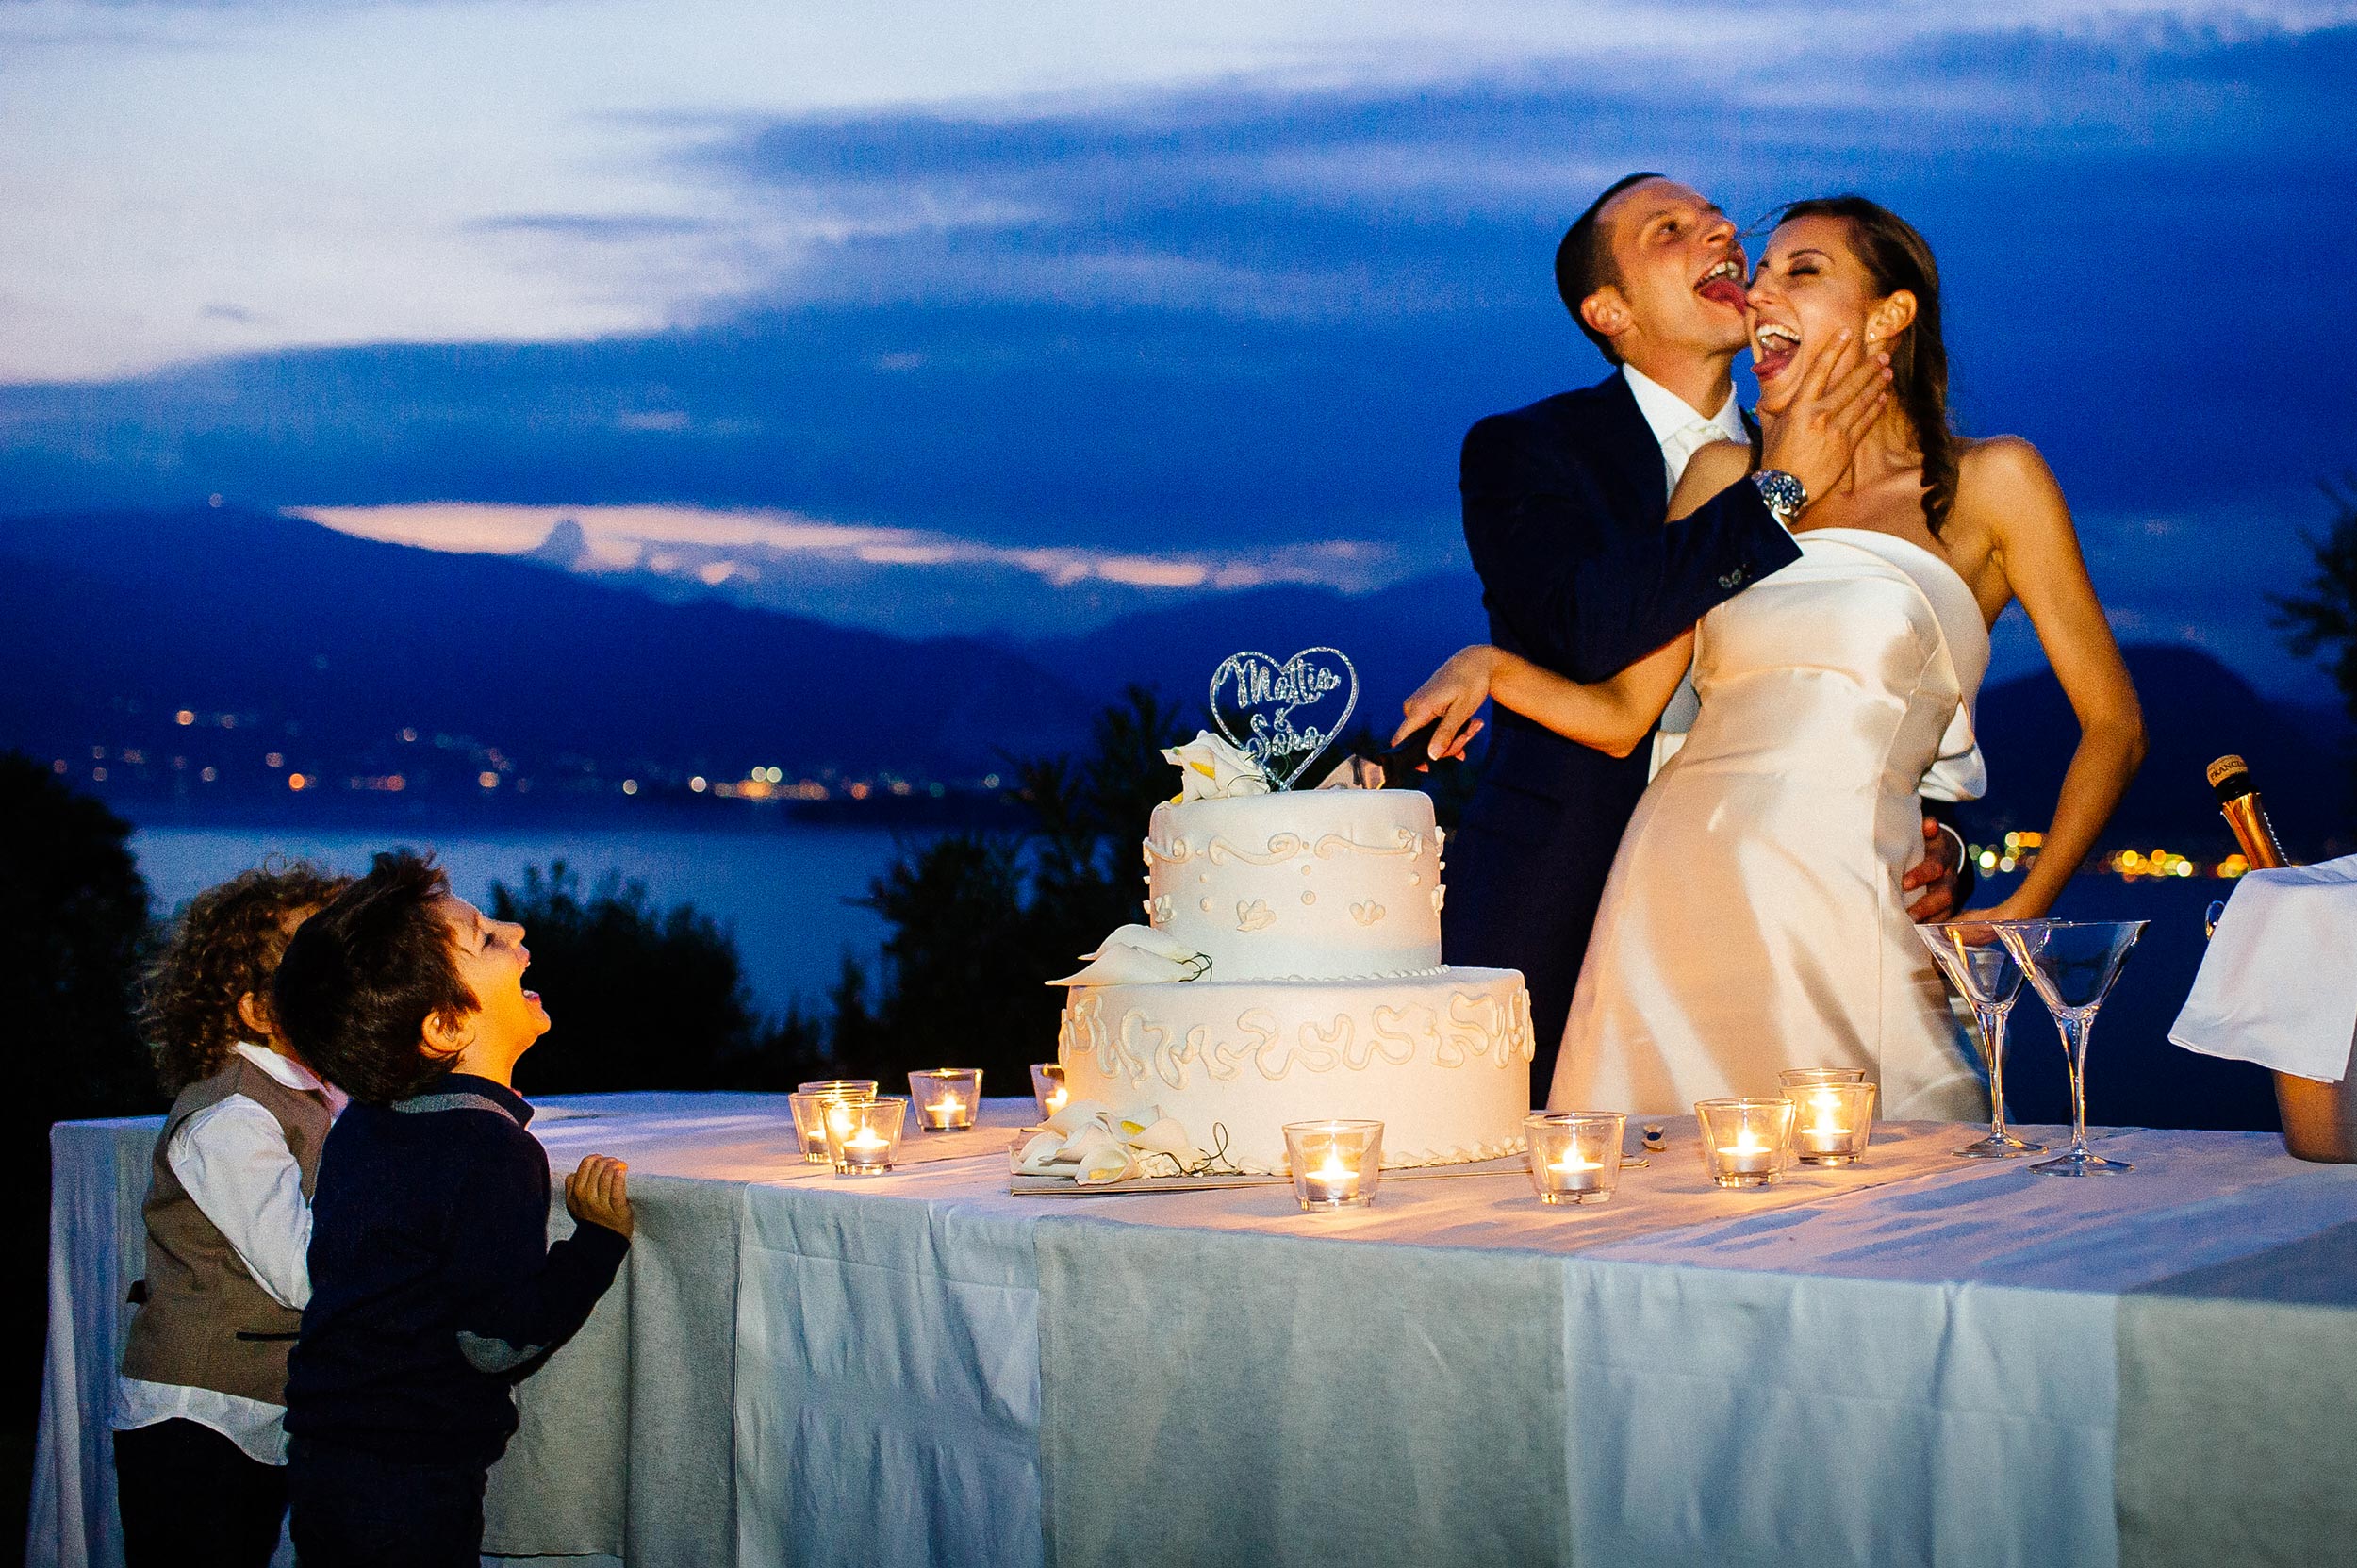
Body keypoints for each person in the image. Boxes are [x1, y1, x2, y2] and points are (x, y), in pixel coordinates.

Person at [1400, 195, 2146, 1118]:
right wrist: (1491, 664)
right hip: (1662, 892)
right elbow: (1619, 695)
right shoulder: (1716, 481)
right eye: (1759, 275)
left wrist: (2019, 895)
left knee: (1905, 1189)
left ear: (1889, 314)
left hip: (1848, 904)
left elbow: (2103, 724)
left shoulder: (1996, 482)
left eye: (1798, 270)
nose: (1754, 288)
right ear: (1608, 310)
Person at [1442, 173, 1967, 1104]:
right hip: (1567, 902)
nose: (1720, 230)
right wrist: (1772, 500)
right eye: (1668, 230)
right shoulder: (1527, 448)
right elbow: (1579, 629)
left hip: (1799, 918)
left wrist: (1940, 843)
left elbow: (1904, 680)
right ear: (1608, 309)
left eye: (1719, 220)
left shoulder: (1855, 458)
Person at [271, 850, 634, 1568]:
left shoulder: (362, 1127)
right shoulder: (489, 1149)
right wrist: (595, 1245)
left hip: (324, 1461)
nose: (518, 926)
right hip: (409, 1483)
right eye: (489, 939)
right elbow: (494, 1343)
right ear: (442, 1026)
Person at [113, 863, 352, 1568]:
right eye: (319, 957)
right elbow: (304, 1275)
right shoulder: (232, 1116)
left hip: (258, 1408)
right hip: (198, 1416)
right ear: (256, 1009)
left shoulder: (319, 1095)